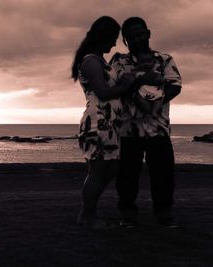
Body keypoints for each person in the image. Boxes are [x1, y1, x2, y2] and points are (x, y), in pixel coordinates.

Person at [110, 17, 182, 228]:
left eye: (140, 34)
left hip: (158, 129)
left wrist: (156, 102)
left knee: (163, 175)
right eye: (131, 37)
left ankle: (164, 214)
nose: (136, 39)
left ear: (148, 33)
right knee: (126, 177)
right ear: (125, 40)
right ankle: (127, 215)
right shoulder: (118, 61)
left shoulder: (164, 59)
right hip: (127, 130)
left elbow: (175, 85)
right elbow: (113, 89)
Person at [71, 16, 136, 230]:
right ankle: (88, 217)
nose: (114, 44)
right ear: (103, 37)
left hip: (110, 123)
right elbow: (103, 92)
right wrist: (126, 85)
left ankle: (85, 213)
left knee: (109, 170)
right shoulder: (91, 60)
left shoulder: (99, 61)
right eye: (112, 38)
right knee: (97, 171)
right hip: (98, 122)